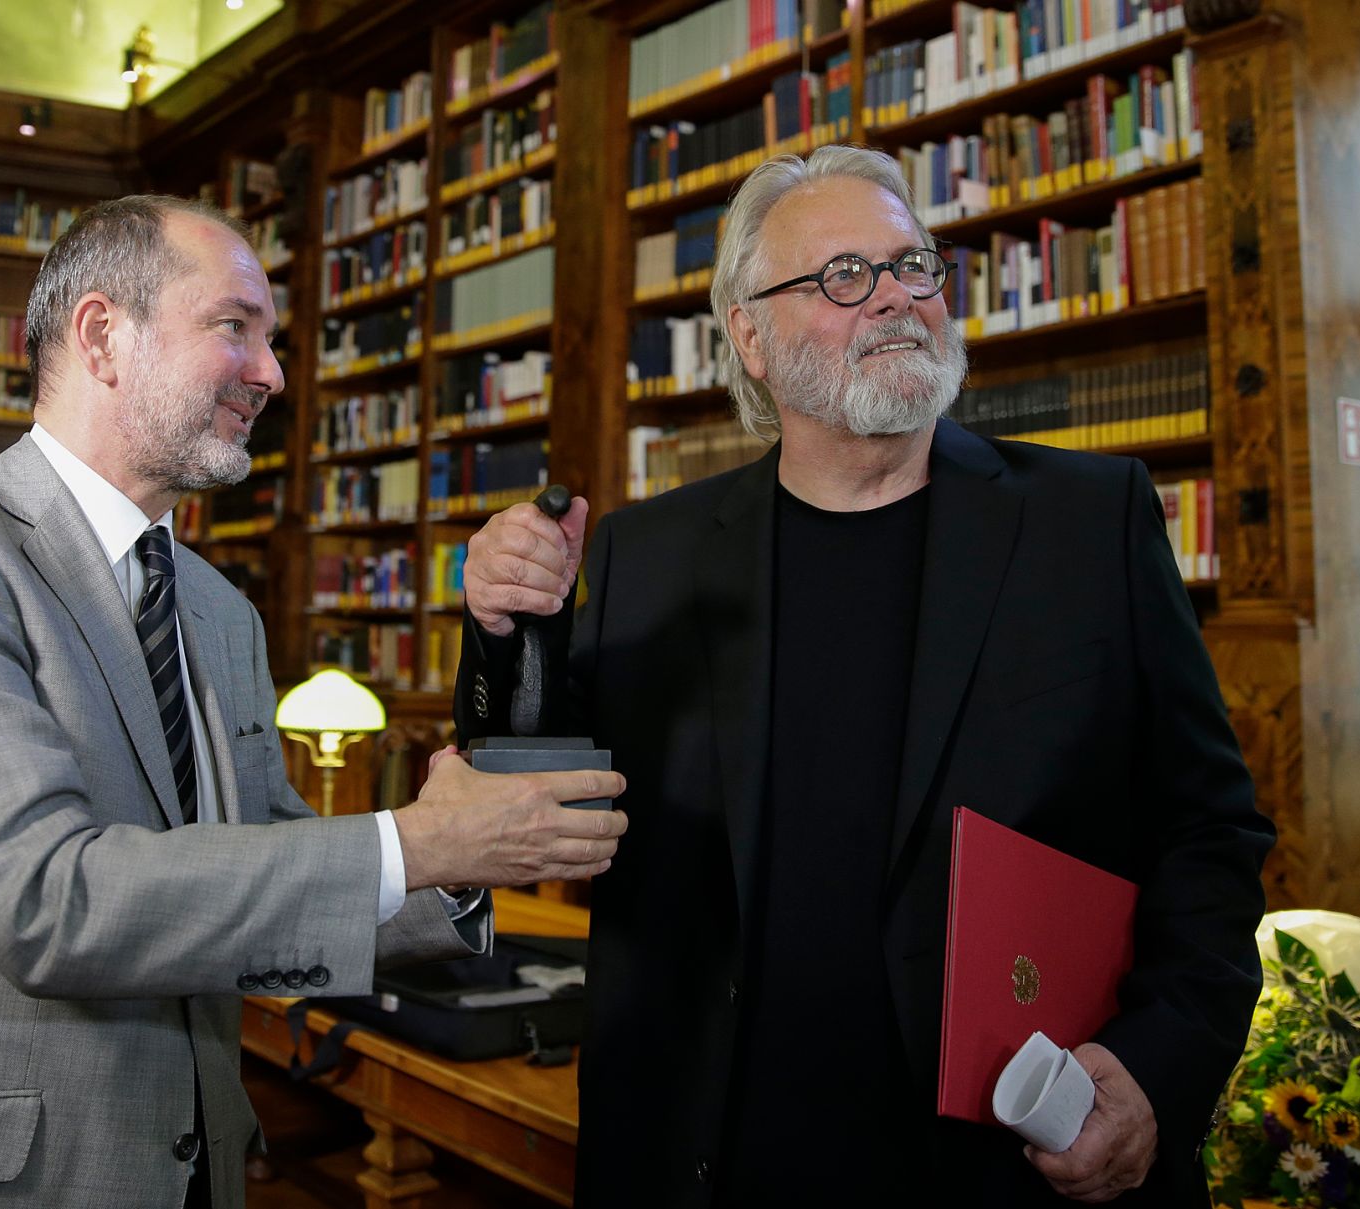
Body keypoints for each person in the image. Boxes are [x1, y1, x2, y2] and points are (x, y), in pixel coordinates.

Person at [0, 195, 627, 1209]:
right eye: (233, 328)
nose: (272, 373)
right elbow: (43, 902)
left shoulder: (217, 610)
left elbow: (268, 874)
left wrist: (466, 858)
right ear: (100, 334)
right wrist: (417, 843)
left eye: (273, 340)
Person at [455, 146, 1274, 1206]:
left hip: (1003, 1160)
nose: (895, 298)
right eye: (844, 276)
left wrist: (1158, 1064)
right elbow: (532, 793)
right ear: (747, 334)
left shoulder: (1090, 523)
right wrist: (508, 622)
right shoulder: (643, 553)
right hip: (710, 1150)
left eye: (913, 267)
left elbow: (1209, 832)